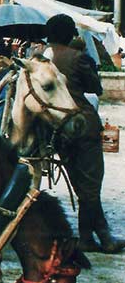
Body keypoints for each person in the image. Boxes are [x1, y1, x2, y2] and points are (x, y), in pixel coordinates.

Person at [45, 14, 124, 254]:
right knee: (90, 185)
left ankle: (104, 236)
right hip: (82, 125)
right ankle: (88, 238)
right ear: (71, 34)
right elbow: (95, 88)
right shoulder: (78, 58)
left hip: (55, 130)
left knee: (82, 185)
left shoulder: (39, 59)